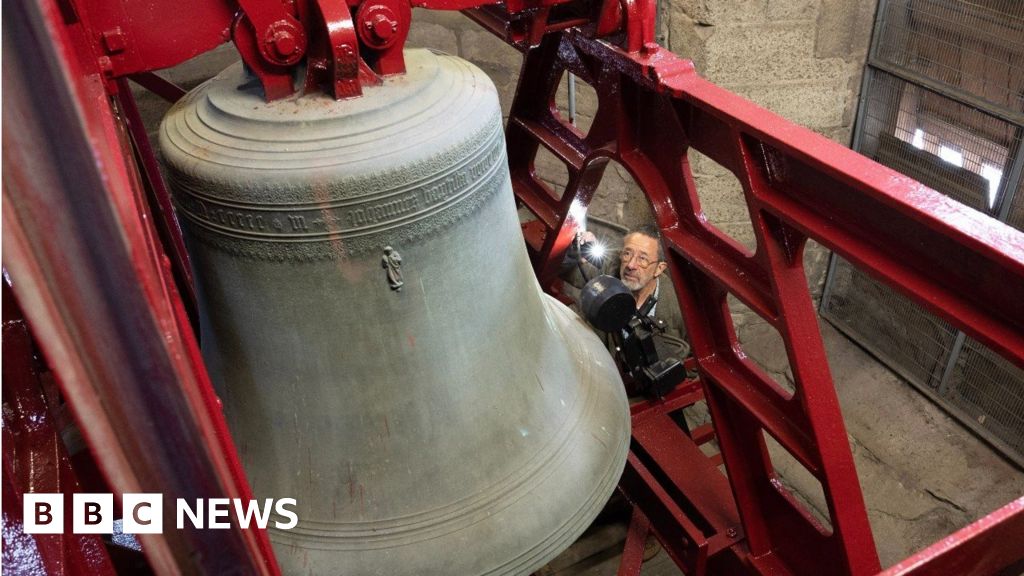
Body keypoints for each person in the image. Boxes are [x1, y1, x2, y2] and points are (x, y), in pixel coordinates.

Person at [562, 224, 689, 362]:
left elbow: (693, 364)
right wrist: (573, 249)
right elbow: (567, 270)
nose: (631, 265)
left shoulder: (680, 308)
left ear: (659, 269)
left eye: (643, 259)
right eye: (627, 253)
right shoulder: (609, 272)